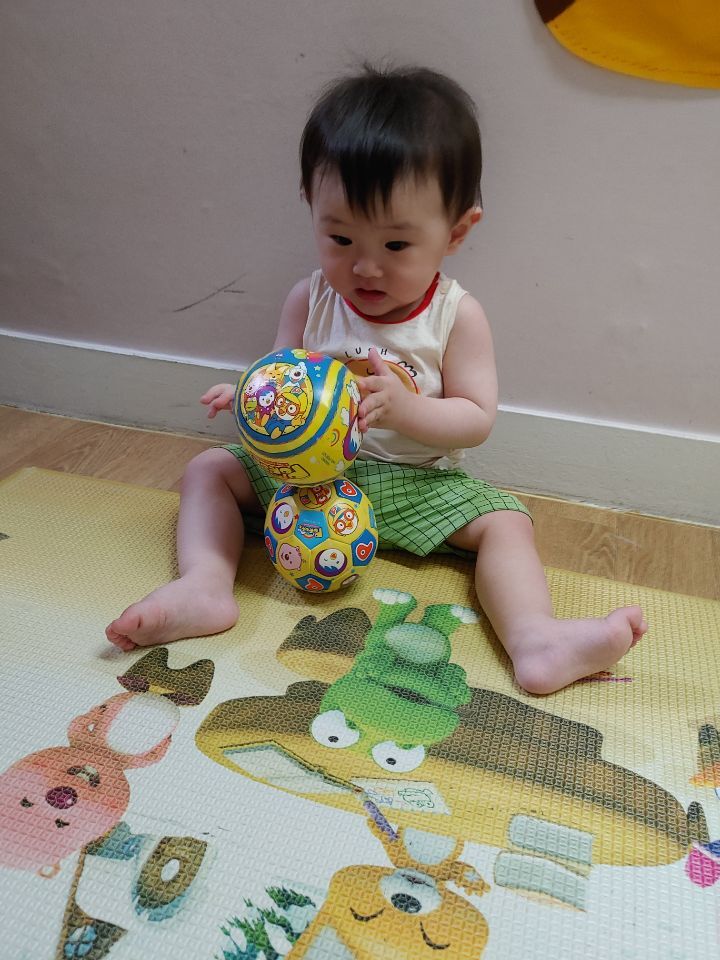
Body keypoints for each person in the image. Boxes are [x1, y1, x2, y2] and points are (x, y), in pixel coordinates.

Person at [106, 64, 646, 694]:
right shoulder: (309, 299)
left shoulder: (456, 316)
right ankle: (204, 585)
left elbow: (476, 419)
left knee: (508, 522)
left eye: (395, 246)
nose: (364, 267)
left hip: (417, 485)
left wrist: (404, 408)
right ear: (311, 208)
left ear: (456, 231)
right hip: (308, 483)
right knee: (209, 469)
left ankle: (536, 638)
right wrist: (248, 399)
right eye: (340, 237)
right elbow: (279, 377)